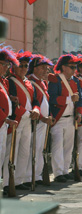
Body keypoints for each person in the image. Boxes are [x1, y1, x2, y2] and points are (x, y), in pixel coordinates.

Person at [47, 54, 82, 183]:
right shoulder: (55, 80)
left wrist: (79, 113)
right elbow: (51, 98)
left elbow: (80, 99)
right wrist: (69, 99)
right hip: (58, 118)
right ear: (63, 67)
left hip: (71, 118)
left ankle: (65, 170)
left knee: (68, 146)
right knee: (57, 145)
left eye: (75, 67)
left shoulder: (76, 81)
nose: (74, 69)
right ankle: (58, 173)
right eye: (72, 67)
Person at [8, 51, 40, 189]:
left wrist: (37, 110)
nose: (23, 68)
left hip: (29, 119)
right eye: (20, 65)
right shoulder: (10, 81)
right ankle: (9, 182)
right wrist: (27, 113)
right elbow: (12, 102)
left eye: (26, 66)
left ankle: (19, 180)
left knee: (24, 151)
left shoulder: (29, 83)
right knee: (12, 152)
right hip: (17, 119)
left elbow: (35, 100)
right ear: (14, 66)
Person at [26, 54, 54, 185]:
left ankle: (36, 175)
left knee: (39, 149)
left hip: (43, 122)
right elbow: (33, 103)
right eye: (43, 67)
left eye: (46, 68)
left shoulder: (42, 83)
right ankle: (28, 176)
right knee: (31, 149)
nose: (46, 70)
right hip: (35, 121)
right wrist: (42, 118)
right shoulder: (30, 82)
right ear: (35, 68)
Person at [0, 47, 18, 194]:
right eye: (3, 64)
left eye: (7, 65)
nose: (6, 68)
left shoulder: (3, 82)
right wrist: (5, 119)